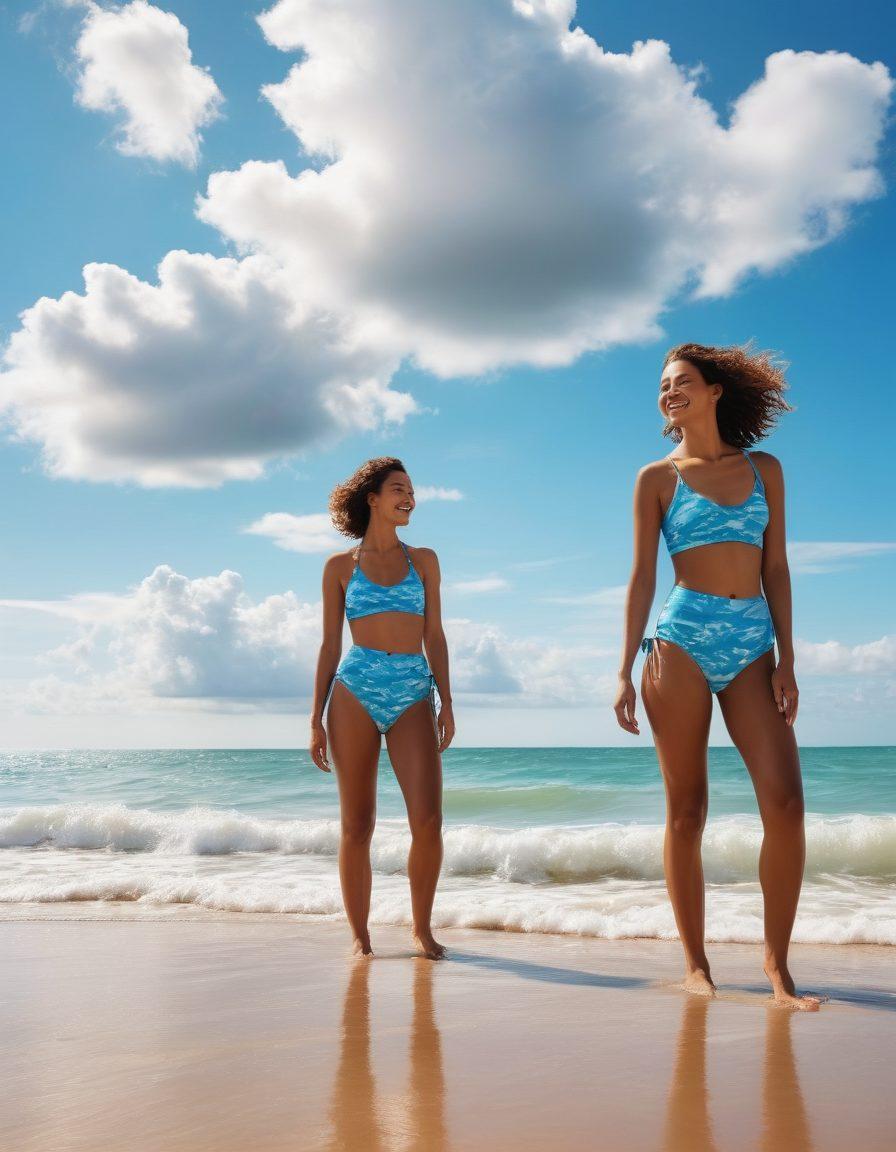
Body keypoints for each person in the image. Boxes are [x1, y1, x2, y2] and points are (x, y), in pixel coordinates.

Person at [614, 343, 820, 1009]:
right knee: (688, 810)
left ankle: (777, 966)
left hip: (752, 643)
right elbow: (643, 576)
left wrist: (788, 658)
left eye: (682, 383)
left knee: (786, 804)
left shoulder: (765, 470)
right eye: (663, 386)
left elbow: (777, 567)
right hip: (680, 642)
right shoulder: (656, 478)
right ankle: (696, 965)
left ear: (715, 392)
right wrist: (622, 670)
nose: (669, 393)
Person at [310, 457, 455, 959]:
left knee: (429, 821)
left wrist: (447, 699)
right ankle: (360, 935)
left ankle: (421, 928)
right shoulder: (338, 568)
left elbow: (434, 634)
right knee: (357, 824)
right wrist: (314, 718)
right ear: (372, 498)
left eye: (412, 489)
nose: (409, 497)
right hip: (355, 690)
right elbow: (330, 646)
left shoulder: (426, 561)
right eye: (398, 488)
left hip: (414, 687)